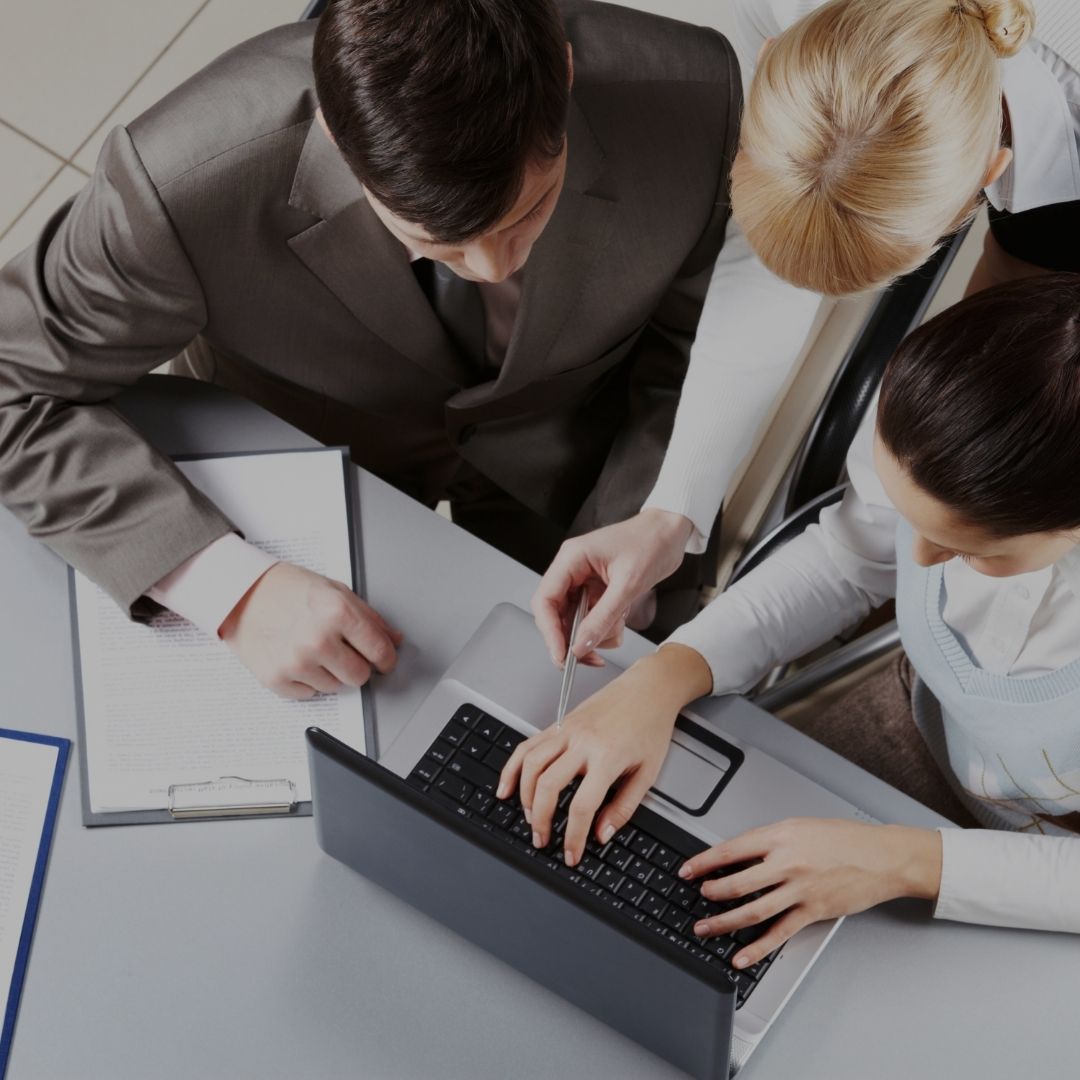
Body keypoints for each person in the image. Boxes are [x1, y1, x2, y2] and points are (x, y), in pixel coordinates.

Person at [0, 0, 746, 698]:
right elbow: (10, 381)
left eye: (531, 210)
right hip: (297, 494)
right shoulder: (182, 182)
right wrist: (232, 590)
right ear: (335, 135)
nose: (495, 267)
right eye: (435, 242)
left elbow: (695, 338)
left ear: (567, 71)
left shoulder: (696, 99)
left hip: (590, 476)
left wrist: (650, 517)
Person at [500, 275, 1080, 970]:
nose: (919, 565)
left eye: (970, 550)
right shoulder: (956, 424)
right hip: (922, 736)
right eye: (908, 523)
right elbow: (846, 559)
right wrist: (662, 677)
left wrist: (902, 862)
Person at [537, 0, 1080, 669]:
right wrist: (671, 514)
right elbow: (778, 262)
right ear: (772, 61)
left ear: (990, 175)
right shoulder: (790, 13)